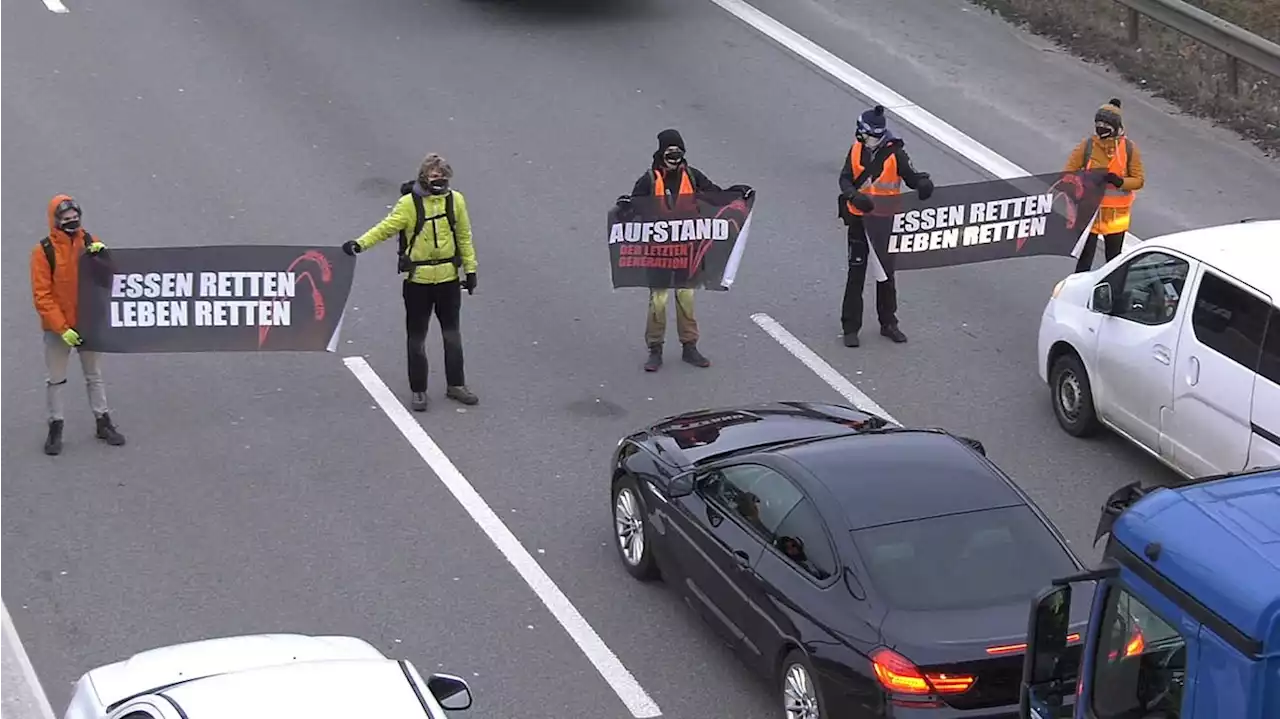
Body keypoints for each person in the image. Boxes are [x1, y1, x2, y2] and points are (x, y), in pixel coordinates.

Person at [343, 153, 479, 412]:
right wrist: (359, 244)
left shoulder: (455, 201)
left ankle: (456, 385)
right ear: (424, 177)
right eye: (434, 176)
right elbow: (385, 228)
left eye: (443, 176)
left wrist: (470, 271)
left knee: (452, 335)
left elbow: (464, 235)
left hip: (448, 280)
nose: (439, 180)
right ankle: (419, 390)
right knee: (417, 338)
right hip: (418, 282)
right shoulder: (408, 204)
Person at [619, 129, 752, 372]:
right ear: (661, 153)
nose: (674, 157)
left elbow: (716, 196)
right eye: (670, 152)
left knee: (686, 298)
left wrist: (737, 193)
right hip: (657, 252)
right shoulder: (648, 180)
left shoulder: (693, 175)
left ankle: (689, 346)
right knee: (658, 300)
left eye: (678, 152)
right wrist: (626, 205)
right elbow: (634, 207)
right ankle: (655, 349)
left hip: (687, 251)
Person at [30, 194, 126, 455]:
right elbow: (43, 296)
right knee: (56, 380)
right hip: (58, 330)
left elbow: (111, 280)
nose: (72, 222)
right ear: (55, 221)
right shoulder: (43, 252)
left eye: (75, 218)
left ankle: (103, 422)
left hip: (88, 322)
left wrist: (104, 257)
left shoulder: (88, 242)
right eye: (66, 219)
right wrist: (63, 329)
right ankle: (55, 427)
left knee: (94, 375)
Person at [838, 105, 934, 348]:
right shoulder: (856, 150)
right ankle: (850, 327)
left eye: (877, 137)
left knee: (886, 276)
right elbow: (845, 178)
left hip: (884, 222)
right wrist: (852, 195)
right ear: (861, 133)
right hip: (859, 221)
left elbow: (912, 177)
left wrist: (924, 184)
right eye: (871, 136)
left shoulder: (896, 154)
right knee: (856, 274)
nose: (873, 141)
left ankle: (888, 323)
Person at [1064, 98, 1145, 273]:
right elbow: (1068, 174)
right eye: (1098, 124)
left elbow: (1138, 180)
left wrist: (1120, 181)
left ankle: (1111, 297)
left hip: (1116, 220)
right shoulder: (1087, 146)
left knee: (1113, 265)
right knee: (1084, 264)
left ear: (1116, 127)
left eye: (1106, 125)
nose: (1101, 128)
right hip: (1089, 215)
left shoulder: (1129, 149)